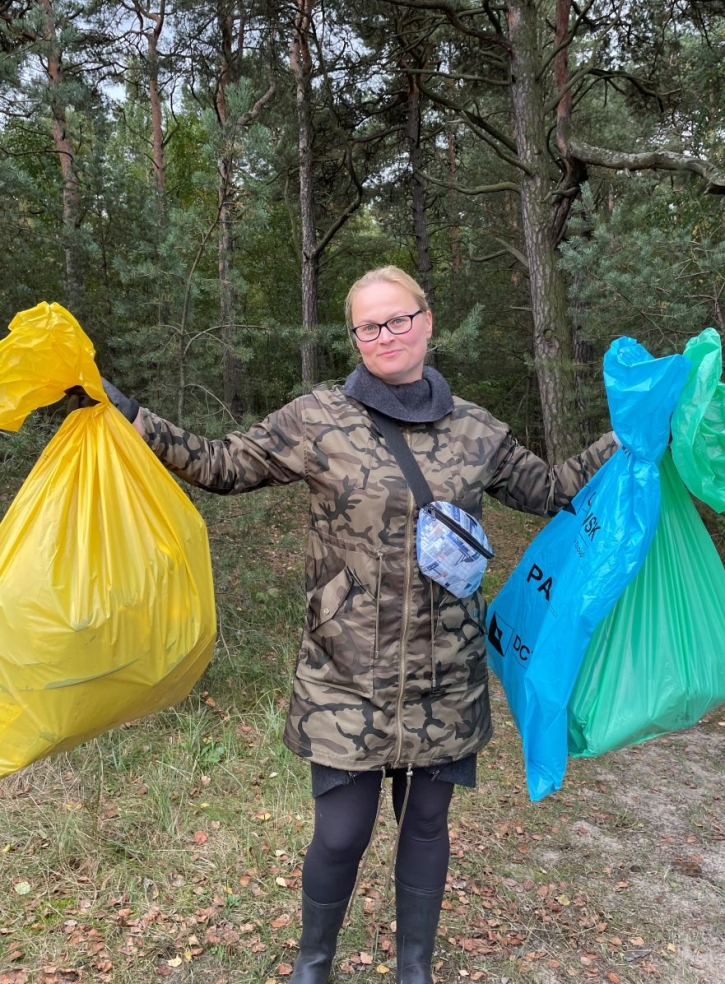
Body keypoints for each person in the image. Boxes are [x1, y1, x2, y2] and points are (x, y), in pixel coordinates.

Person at [93, 266, 618, 984]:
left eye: (398, 319)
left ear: (427, 321)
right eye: (369, 326)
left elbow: (552, 489)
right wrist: (121, 412)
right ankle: (313, 963)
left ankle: (414, 968)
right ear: (355, 337)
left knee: (427, 825)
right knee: (341, 833)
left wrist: (629, 442)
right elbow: (220, 464)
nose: (386, 335)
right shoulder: (317, 419)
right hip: (346, 674)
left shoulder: (475, 430)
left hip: (444, 674)